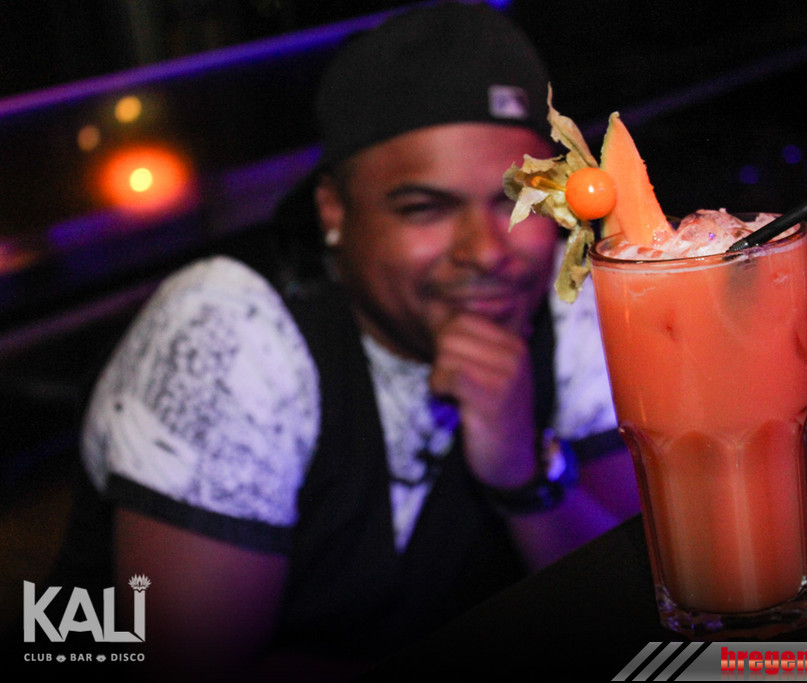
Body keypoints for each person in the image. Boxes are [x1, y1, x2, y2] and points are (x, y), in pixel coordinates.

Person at [53, 3, 639, 679]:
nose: (487, 250)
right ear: (333, 208)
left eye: (521, 202)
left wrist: (524, 478)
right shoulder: (228, 329)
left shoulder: (569, 293)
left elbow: (642, 613)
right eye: (425, 208)